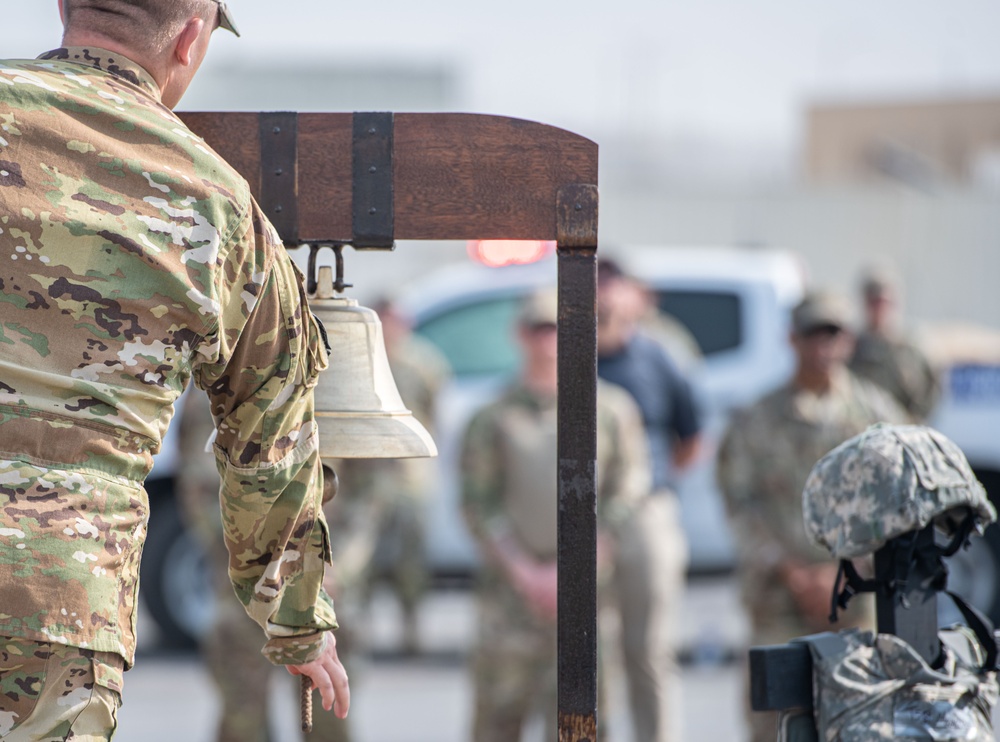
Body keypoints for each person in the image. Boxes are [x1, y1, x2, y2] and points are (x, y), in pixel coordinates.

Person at [0, 2, 349, 737]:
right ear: (190, 38)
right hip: (61, 600)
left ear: (64, 7)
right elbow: (272, 445)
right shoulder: (218, 205)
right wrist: (299, 624)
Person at [716, 291, 907, 742]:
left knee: (862, 721)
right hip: (779, 598)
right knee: (775, 722)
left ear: (848, 342)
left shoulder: (877, 416)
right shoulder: (756, 418)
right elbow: (739, 502)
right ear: (792, 339)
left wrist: (850, 570)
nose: (823, 346)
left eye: (833, 334)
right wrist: (793, 573)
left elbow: (901, 503)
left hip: (856, 601)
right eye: (812, 334)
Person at [460, 290, 650, 742]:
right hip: (512, 602)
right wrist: (528, 574)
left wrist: (585, 564)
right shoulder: (492, 416)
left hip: (586, 600)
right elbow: (478, 502)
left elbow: (629, 490)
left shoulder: (612, 410)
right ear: (520, 335)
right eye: (538, 329)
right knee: (496, 725)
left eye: (557, 329)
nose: (548, 341)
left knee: (582, 729)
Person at [595, 259, 702, 742]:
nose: (601, 302)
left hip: (644, 513)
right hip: (584, 514)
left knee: (649, 649)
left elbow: (692, 435)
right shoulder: (567, 355)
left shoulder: (656, 357)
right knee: (589, 654)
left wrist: (652, 488)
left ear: (630, 298)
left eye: (609, 292)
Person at [363, 299, 451, 655]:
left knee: (411, 559)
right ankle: (360, 626)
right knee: (363, 555)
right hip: (369, 474)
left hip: (409, 474)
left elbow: (433, 411)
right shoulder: (360, 360)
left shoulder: (423, 365)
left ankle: (411, 628)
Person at [849, 266, 941, 422]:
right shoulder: (849, 348)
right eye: (874, 302)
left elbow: (929, 394)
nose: (879, 309)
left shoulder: (911, 351)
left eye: (884, 302)